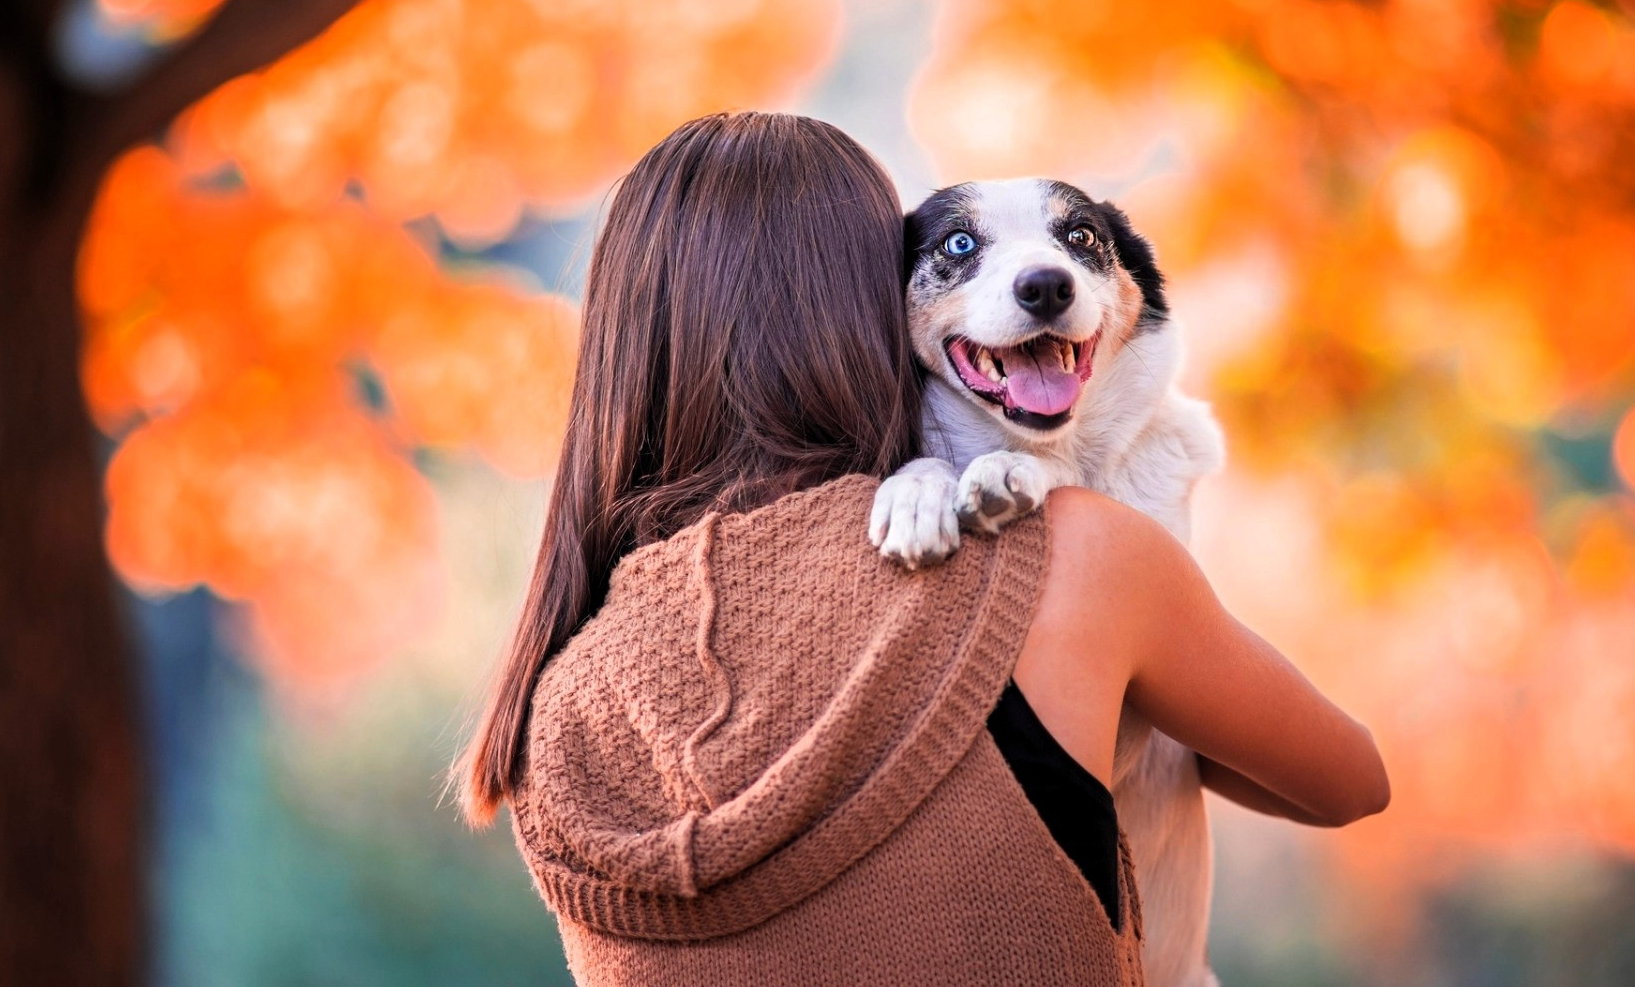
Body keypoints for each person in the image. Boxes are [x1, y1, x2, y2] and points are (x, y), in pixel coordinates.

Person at [454, 112, 1388, 987]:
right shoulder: (1082, 557)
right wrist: (1167, 659)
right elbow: (1350, 782)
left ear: (622, 348)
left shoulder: (556, 701)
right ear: (871, 305)